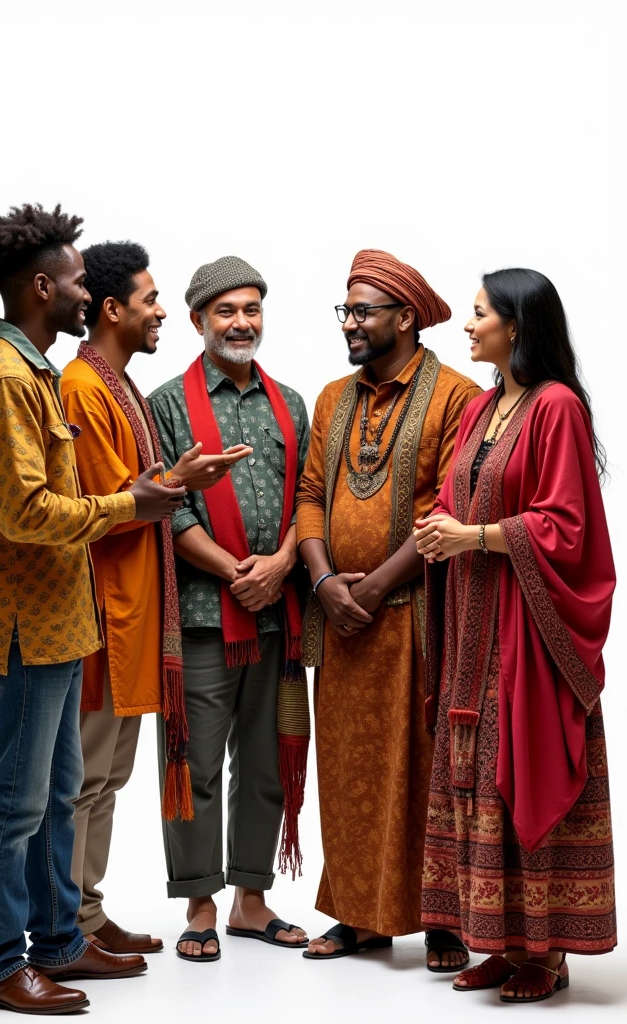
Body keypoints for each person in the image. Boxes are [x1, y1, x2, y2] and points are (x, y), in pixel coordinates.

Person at [0, 205, 185, 1015]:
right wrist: (130, 506)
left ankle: (57, 942)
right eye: (80, 281)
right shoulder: (7, 377)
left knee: (51, 797)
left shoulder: (32, 370)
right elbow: (26, 514)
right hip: (23, 625)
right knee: (14, 800)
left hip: (56, 624)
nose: (90, 294)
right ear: (42, 287)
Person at [415, 269, 616, 1002]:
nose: (467, 328)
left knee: (519, 767)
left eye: (478, 316)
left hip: (527, 638)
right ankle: (497, 942)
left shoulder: (555, 406)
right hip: (472, 629)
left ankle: (547, 955)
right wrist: (440, 528)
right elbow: (456, 493)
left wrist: (471, 535)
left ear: (517, 326)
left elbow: (566, 527)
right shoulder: (482, 407)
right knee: (475, 783)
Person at [60, 243, 252, 956]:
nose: (161, 310)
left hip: (136, 616)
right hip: (104, 618)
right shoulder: (84, 388)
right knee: (83, 779)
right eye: (149, 299)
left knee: (106, 778)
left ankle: (87, 912)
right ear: (112, 309)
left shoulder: (120, 385)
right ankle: (66, 930)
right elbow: (111, 504)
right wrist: (181, 484)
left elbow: (137, 491)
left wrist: (178, 476)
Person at [296, 248, 480, 962]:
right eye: (345, 310)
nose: (349, 323)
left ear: (405, 318)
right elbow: (312, 494)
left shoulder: (457, 396)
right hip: (341, 622)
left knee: (428, 767)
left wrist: (374, 585)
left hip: (419, 618)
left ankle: (445, 920)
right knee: (345, 768)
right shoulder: (333, 399)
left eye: (363, 310)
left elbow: (451, 503)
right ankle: (358, 914)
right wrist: (324, 582)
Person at [148, 256, 311, 962]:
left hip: (279, 615)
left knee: (267, 762)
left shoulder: (293, 403)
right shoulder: (169, 404)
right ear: (198, 321)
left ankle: (252, 900)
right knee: (195, 762)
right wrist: (233, 572)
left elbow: (311, 501)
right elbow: (167, 506)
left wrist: (277, 569)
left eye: (251, 309)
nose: (242, 322)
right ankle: (200, 903)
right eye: (226, 311)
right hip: (204, 616)